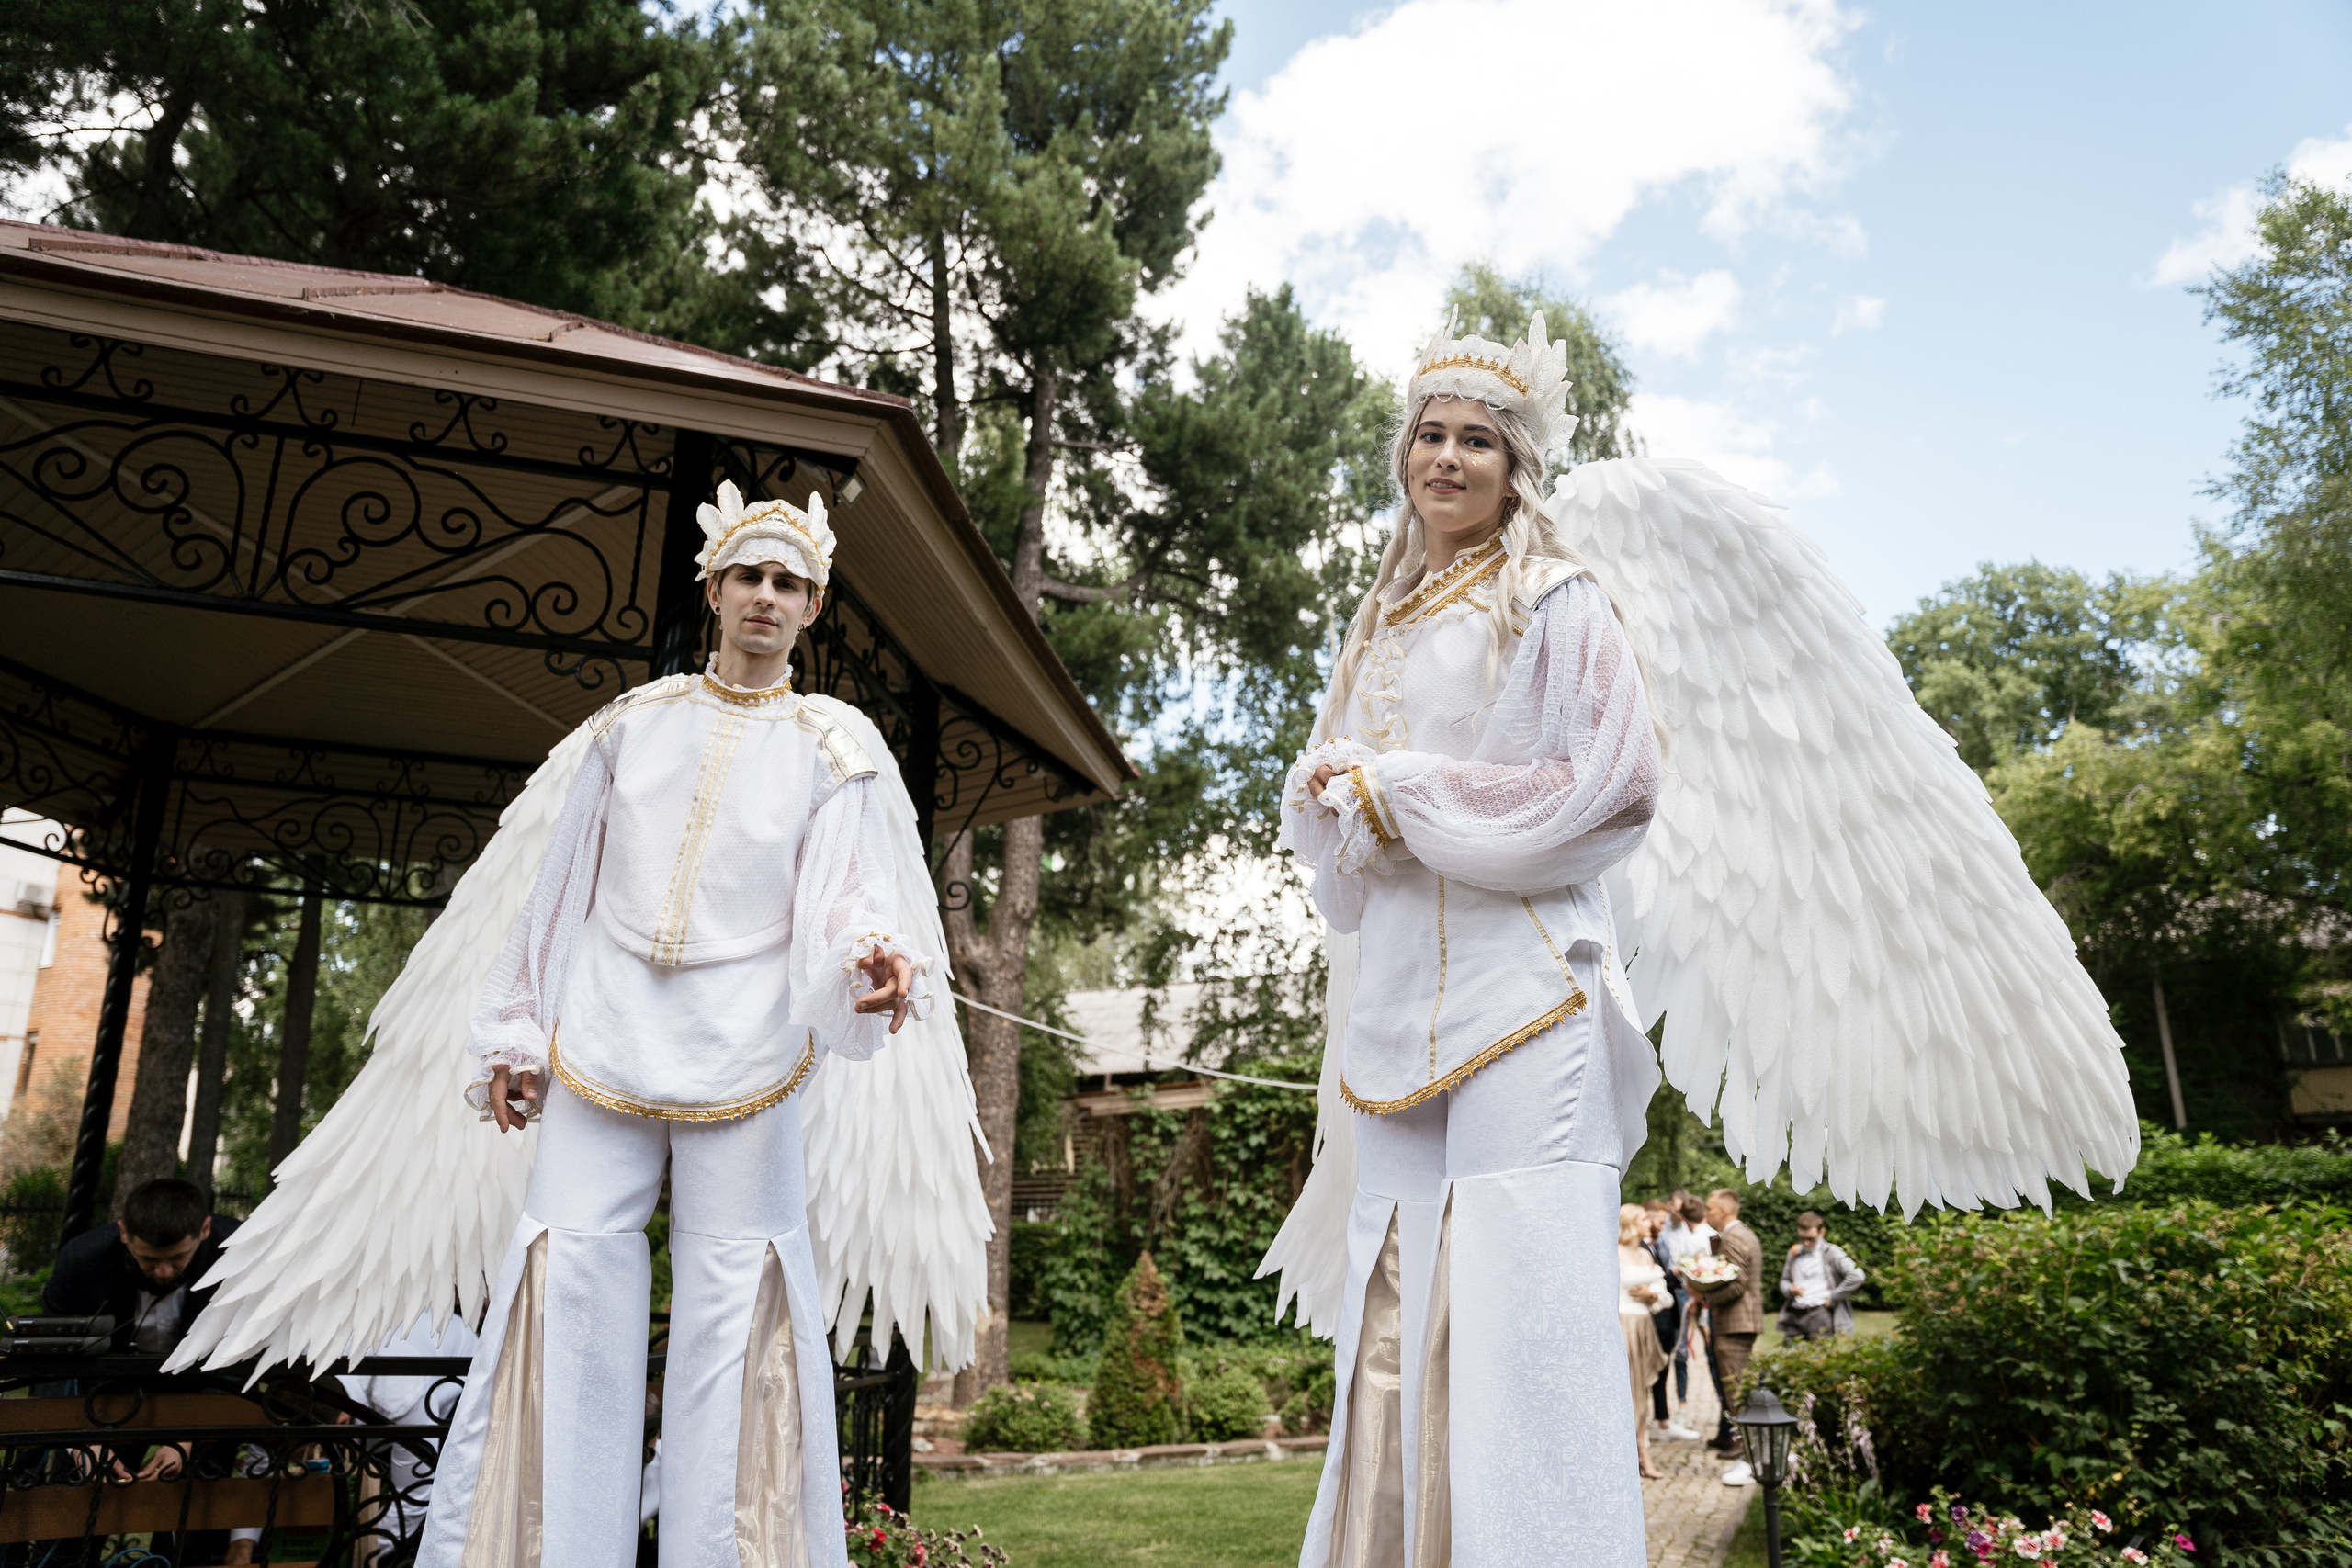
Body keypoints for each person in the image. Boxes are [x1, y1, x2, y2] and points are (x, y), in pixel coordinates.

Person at [406, 481, 930, 1568]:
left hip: (754, 1049)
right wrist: (514, 1030)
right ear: (713, 589)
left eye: (789, 583)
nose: (766, 598)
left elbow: (846, 900)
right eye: (749, 576)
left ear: (814, 607)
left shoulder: (840, 746)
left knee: (741, 1308)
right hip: (601, 1038)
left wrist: (869, 961)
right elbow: (557, 889)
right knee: (568, 1282)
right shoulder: (628, 726)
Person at [1272, 311, 1666, 1564]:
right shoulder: (1377, 622)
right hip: (1394, 1002)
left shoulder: (1555, 600)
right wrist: (1334, 794)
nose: (1446, 457)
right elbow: (1354, 853)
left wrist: (1406, 795)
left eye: (1477, 441)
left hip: (1529, 992)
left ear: (1516, 468)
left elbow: (1611, 784)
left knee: (1522, 1303)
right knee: (1387, 1299)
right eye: (1430, 434)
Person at [42, 1178, 257, 1563]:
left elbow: (245, 1352)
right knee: (73, 1506)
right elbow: (54, 1360)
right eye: (150, 1260)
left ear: (205, 1230)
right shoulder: (82, 1259)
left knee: (200, 1507)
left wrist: (196, 1434)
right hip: (107, 1392)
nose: (163, 1271)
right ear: (124, 1233)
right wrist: (80, 1440)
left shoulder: (241, 1255)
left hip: (205, 1387)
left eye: (177, 1258)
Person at [1702, 1189, 1764, 1483]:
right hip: (1738, 1323)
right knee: (1738, 1390)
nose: (1706, 1213)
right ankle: (1749, 1456)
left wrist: (1703, 1294)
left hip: (1735, 1324)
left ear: (1725, 1211)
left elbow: (1737, 1284)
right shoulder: (1735, 1234)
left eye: (1710, 1208)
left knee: (1737, 1392)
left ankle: (1750, 1460)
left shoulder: (1736, 1237)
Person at [1617, 1205, 1669, 1482]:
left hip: (1644, 1326)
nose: (1650, 1222)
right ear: (1628, 1223)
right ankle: (1632, 1455)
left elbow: (1664, 1295)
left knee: (1641, 1393)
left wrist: (1651, 1294)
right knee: (1626, 1391)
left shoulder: (1646, 1254)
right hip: (1622, 1324)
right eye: (1643, 1219)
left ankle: (1641, 1452)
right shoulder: (1613, 1252)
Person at [1778, 1211, 1867, 1342]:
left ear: (1822, 1232)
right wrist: (1789, 1290)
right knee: (1788, 1358)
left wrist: (1834, 1297)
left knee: (1819, 1358)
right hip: (1795, 1313)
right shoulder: (1794, 1252)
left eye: (1811, 1239)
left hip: (1820, 1313)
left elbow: (1857, 1276)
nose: (1806, 1243)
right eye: (1802, 1238)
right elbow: (1784, 1280)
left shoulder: (1832, 1252)